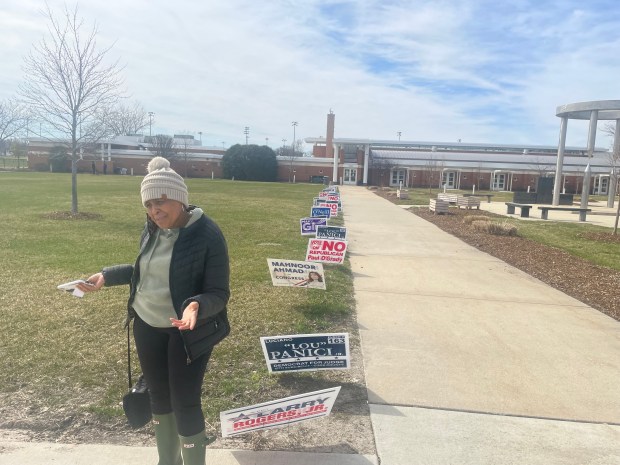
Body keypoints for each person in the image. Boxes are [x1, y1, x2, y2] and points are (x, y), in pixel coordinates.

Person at [77, 156, 230, 465]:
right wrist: (107, 276)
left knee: (185, 401)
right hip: (146, 324)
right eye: (148, 204)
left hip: (187, 330)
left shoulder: (208, 234)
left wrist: (196, 305)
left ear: (180, 199)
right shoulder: (152, 229)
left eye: (160, 202)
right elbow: (144, 270)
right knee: (158, 396)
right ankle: (167, 461)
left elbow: (219, 292)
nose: (154, 211)